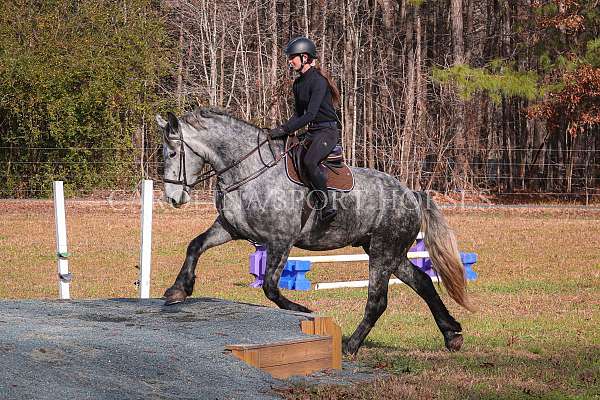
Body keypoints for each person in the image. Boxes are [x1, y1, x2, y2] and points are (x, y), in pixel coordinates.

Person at [269, 36, 341, 224]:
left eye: (293, 57)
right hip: (312, 132)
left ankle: (327, 206)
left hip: (327, 132)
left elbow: (310, 115)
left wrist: (285, 129)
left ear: (305, 57)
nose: (290, 61)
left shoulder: (319, 82)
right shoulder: (298, 84)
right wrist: (280, 130)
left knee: (309, 162)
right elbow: (298, 114)